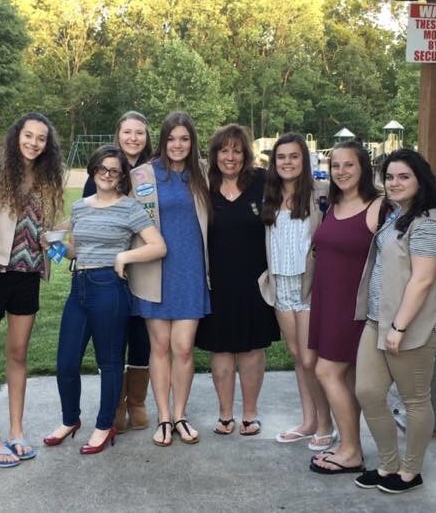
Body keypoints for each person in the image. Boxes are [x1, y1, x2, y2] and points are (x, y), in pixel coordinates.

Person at [44, 145, 166, 454]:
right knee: (66, 362)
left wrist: (124, 255)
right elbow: (77, 250)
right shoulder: (80, 207)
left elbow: (158, 246)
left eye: (114, 170)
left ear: (122, 175)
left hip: (109, 287)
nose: (107, 175)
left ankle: (104, 424)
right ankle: (70, 419)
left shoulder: (130, 208)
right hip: (79, 285)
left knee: (110, 362)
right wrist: (55, 246)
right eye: (102, 168)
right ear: (92, 170)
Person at [354, 149, 436, 493]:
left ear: (420, 180)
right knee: (367, 392)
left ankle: (410, 471)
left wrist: (398, 327)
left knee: (414, 399)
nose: (394, 183)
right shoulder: (398, 215)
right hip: (376, 321)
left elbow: (422, 280)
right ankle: (387, 464)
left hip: (410, 327)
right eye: (390, 177)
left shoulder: (427, 223)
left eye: (403, 176)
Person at [0, 112, 65, 466]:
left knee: (18, 354)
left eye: (41, 138)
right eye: (28, 136)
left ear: (48, 144)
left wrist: (56, 238)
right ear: (16, 137)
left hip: (28, 275)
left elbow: (52, 222)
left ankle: (16, 431)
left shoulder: (49, 178)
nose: (33, 143)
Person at [128, 111, 212, 446]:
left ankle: (181, 414)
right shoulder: (143, 175)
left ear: (192, 142)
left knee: (184, 347)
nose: (178, 145)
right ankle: (163, 417)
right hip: (154, 271)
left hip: (190, 271)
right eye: (172, 138)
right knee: (160, 346)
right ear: (162, 141)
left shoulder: (202, 173)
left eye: (185, 139)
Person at [195, 124, 280, 436]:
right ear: (214, 154)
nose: (230, 156)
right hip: (215, 281)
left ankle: (250, 413)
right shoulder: (204, 185)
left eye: (236, 150)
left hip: (254, 281)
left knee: (252, 349)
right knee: (221, 349)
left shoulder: (262, 182)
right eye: (224, 150)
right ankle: (225, 414)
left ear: (246, 155)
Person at [308, 140, 382, 474]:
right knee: (346, 376)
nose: (341, 172)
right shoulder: (332, 204)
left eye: (349, 165)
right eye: (335, 165)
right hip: (328, 301)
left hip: (354, 305)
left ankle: (351, 450)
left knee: (327, 371)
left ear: (363, 167)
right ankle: (350, 445)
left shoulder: (379, 207)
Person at [81, 111, 154, 432]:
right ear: (117, 134)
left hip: (147, 260)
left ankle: (136, 401)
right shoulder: (101, 172)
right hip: (109, 270)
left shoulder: (155, 171)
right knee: (112, 338)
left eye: (140, 132)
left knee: (141, 334)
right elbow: (85, 221)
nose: (134, 138)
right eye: (127, 132)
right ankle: (116, 403)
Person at [260, 133, 333, 450]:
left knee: (309, 357)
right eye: (281, 157)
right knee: (297, 356)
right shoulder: (269, 196)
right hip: (280, 283)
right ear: (273, 163)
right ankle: (309, 421)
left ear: (304, 160)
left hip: (309, 284)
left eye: (293, 156)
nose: (287, 162)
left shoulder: (322, 194)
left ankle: (327, 424)